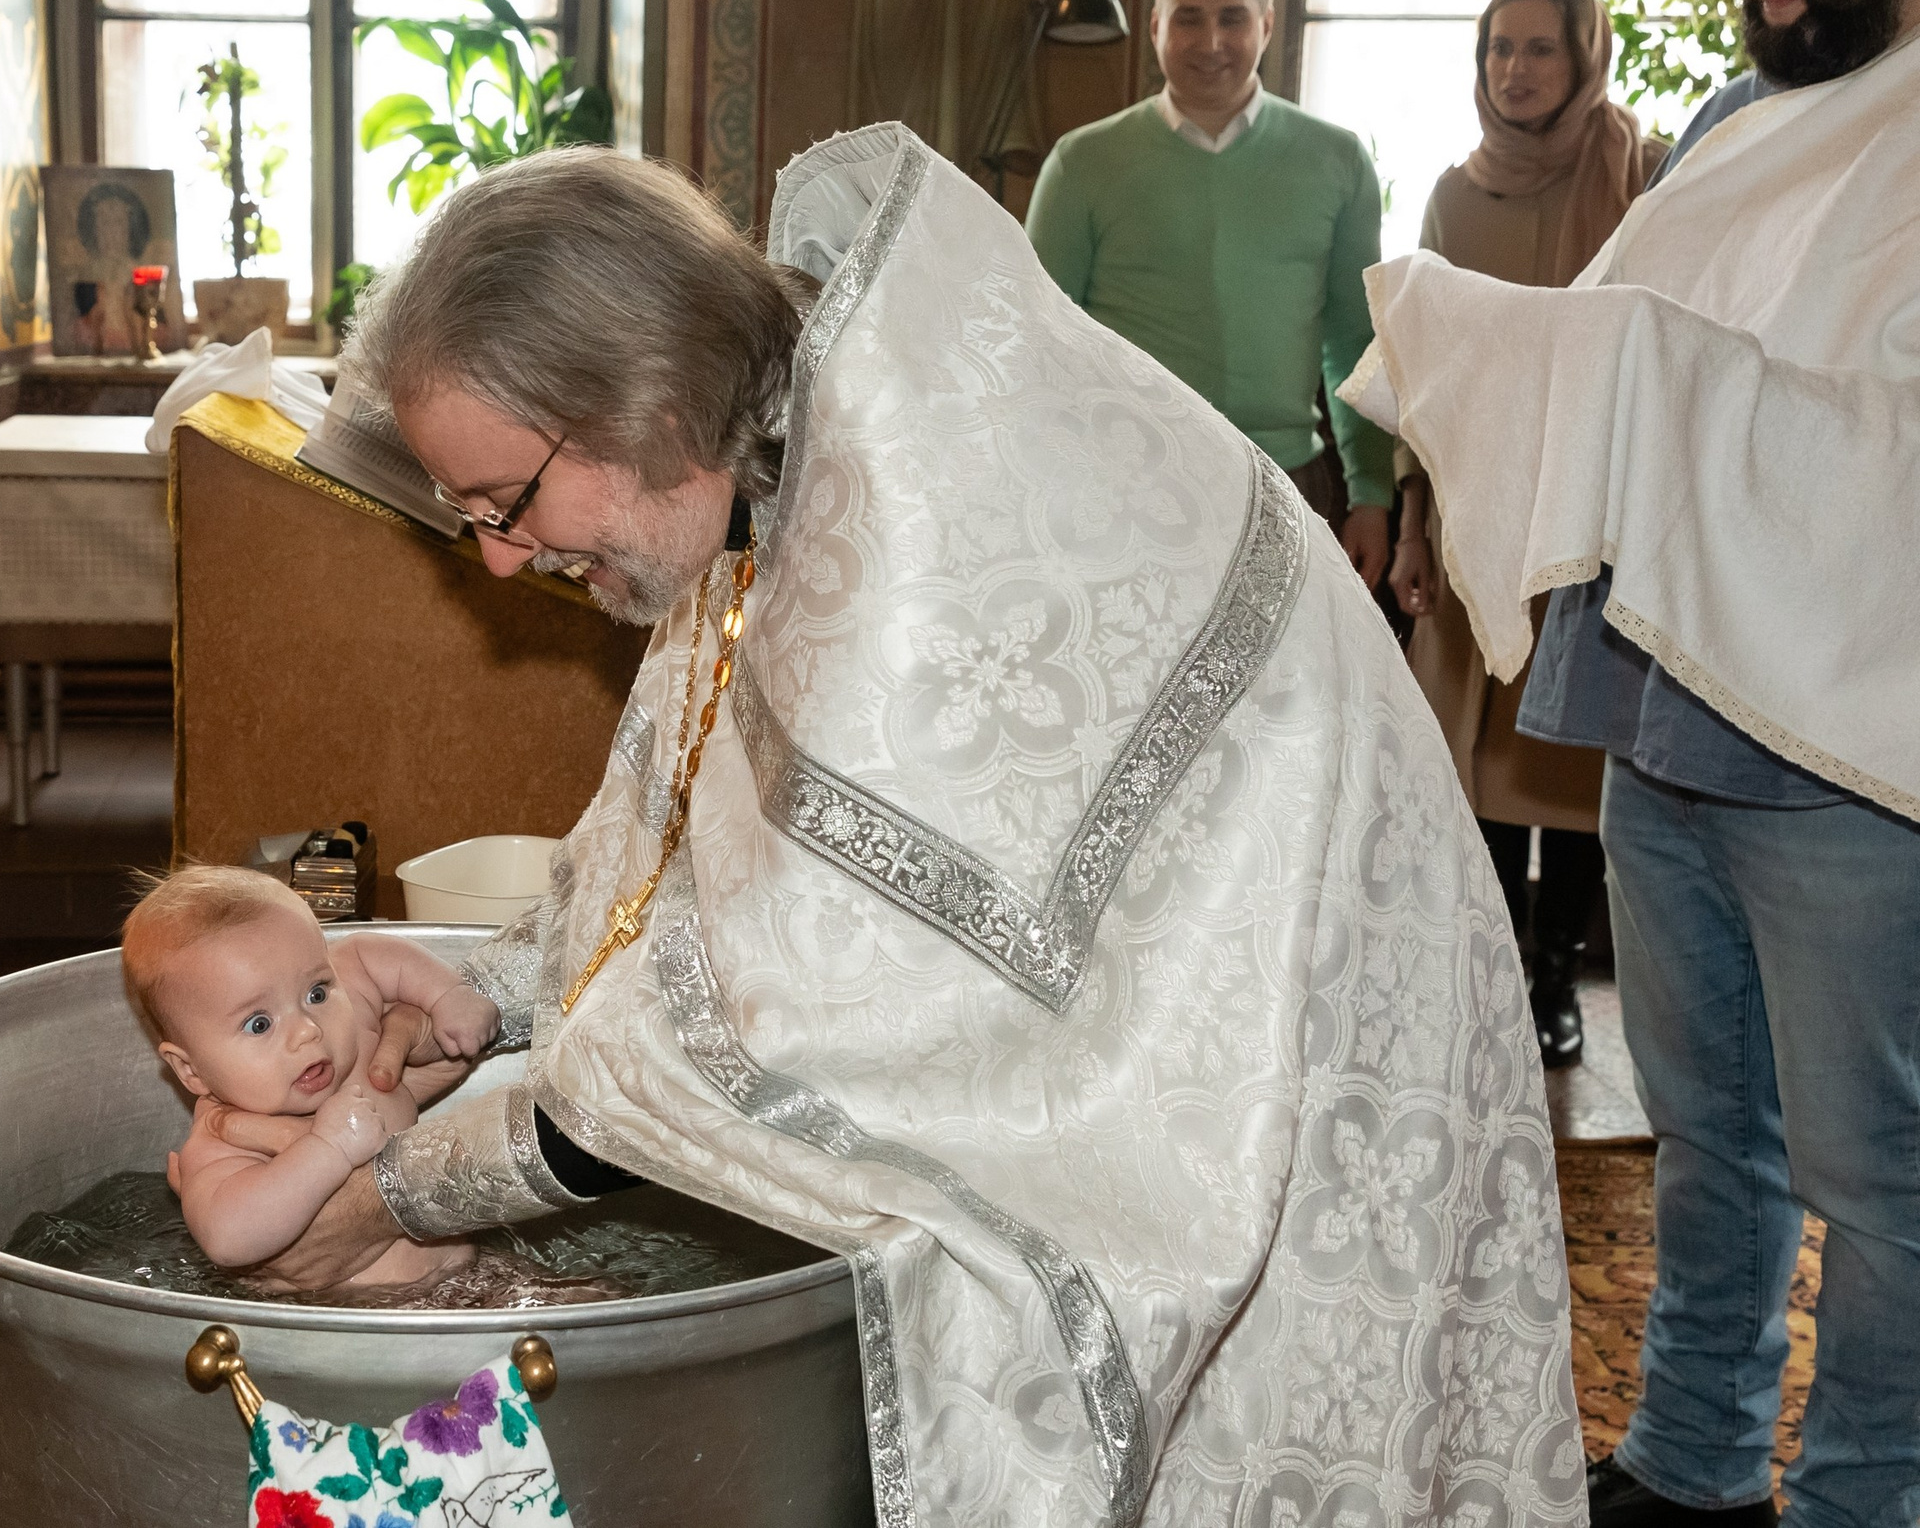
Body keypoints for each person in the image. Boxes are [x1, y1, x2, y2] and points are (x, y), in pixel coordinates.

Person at [199, 131, 1581, 1524]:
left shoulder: (909, 551)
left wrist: (392, 1191)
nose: (502, 556)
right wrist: (489, 989)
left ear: (641, 395)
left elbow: (755, 1033)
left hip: (1299, 1020)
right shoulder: (772, 446)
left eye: (507, 501)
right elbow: (690, 838)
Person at [1349, 0, 1920, 1519]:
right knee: (1702, 1130)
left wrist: (1667, 377)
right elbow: (1619, 362)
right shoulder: (1741, 131)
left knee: (1878, 1174)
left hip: (1848, 742)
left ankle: (1866, 1490)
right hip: (1676, 716)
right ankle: (1690, 1457)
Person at [1386, 0, 1669, 1068]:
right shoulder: (1454, 197)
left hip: (1595, 514)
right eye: (1497, 48)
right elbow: (1423, 370)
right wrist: (1413, 522)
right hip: (1479, 510)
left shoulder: (1640, 177)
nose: (1514, 69)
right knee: (1487, 762)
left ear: (1583, 55)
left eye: (1539, 49)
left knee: (1577, 753)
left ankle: (1560, 977)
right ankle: (1504, 968)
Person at [1025, 0, 1395, 591]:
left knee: (1291, 691)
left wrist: (1372, 491)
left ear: (1268, 24)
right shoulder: (1082, 165)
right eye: (1189, 20)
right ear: (1157, 25)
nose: (1212, 43)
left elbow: (1354, 338)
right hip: (1126, 487)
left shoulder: (1337, 162)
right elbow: (1038, 343)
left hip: (1288, 482)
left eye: (1233, 19)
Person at [121, 865, 494, 1282]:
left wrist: (449, 994)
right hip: (360, 1314)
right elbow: (228, 1238)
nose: (307, 1029)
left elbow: (365, 954)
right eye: (259, 1023)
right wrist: (327, 1150)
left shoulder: (353, 1018)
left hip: (474, 1274)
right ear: (192, 1071)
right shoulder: (223, 1141)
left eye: (316, 992)